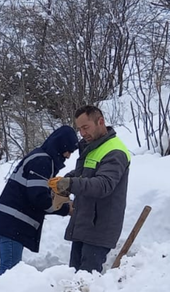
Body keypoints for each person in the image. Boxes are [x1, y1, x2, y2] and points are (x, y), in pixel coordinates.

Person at [0, 126, 78, 276]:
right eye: (69, 150)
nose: (68, 156)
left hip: (10, 222)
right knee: (9, 274)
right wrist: (65, 209)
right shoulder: (42, 161)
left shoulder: (40, 158)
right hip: (12, 224)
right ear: (61, 145)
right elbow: (39, 198)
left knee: (9, 273)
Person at [49, 105, 131, 273]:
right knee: (74, 279)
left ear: (100, 122)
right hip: (84, 223)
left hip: (100, 228)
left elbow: (103, 185)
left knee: (86, 283)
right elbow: (83, 175)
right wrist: (62, 181)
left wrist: (70, 184)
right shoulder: (92, 147)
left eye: (86, 127)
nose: (82, 133)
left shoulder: (115, 151)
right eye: (79, 129)